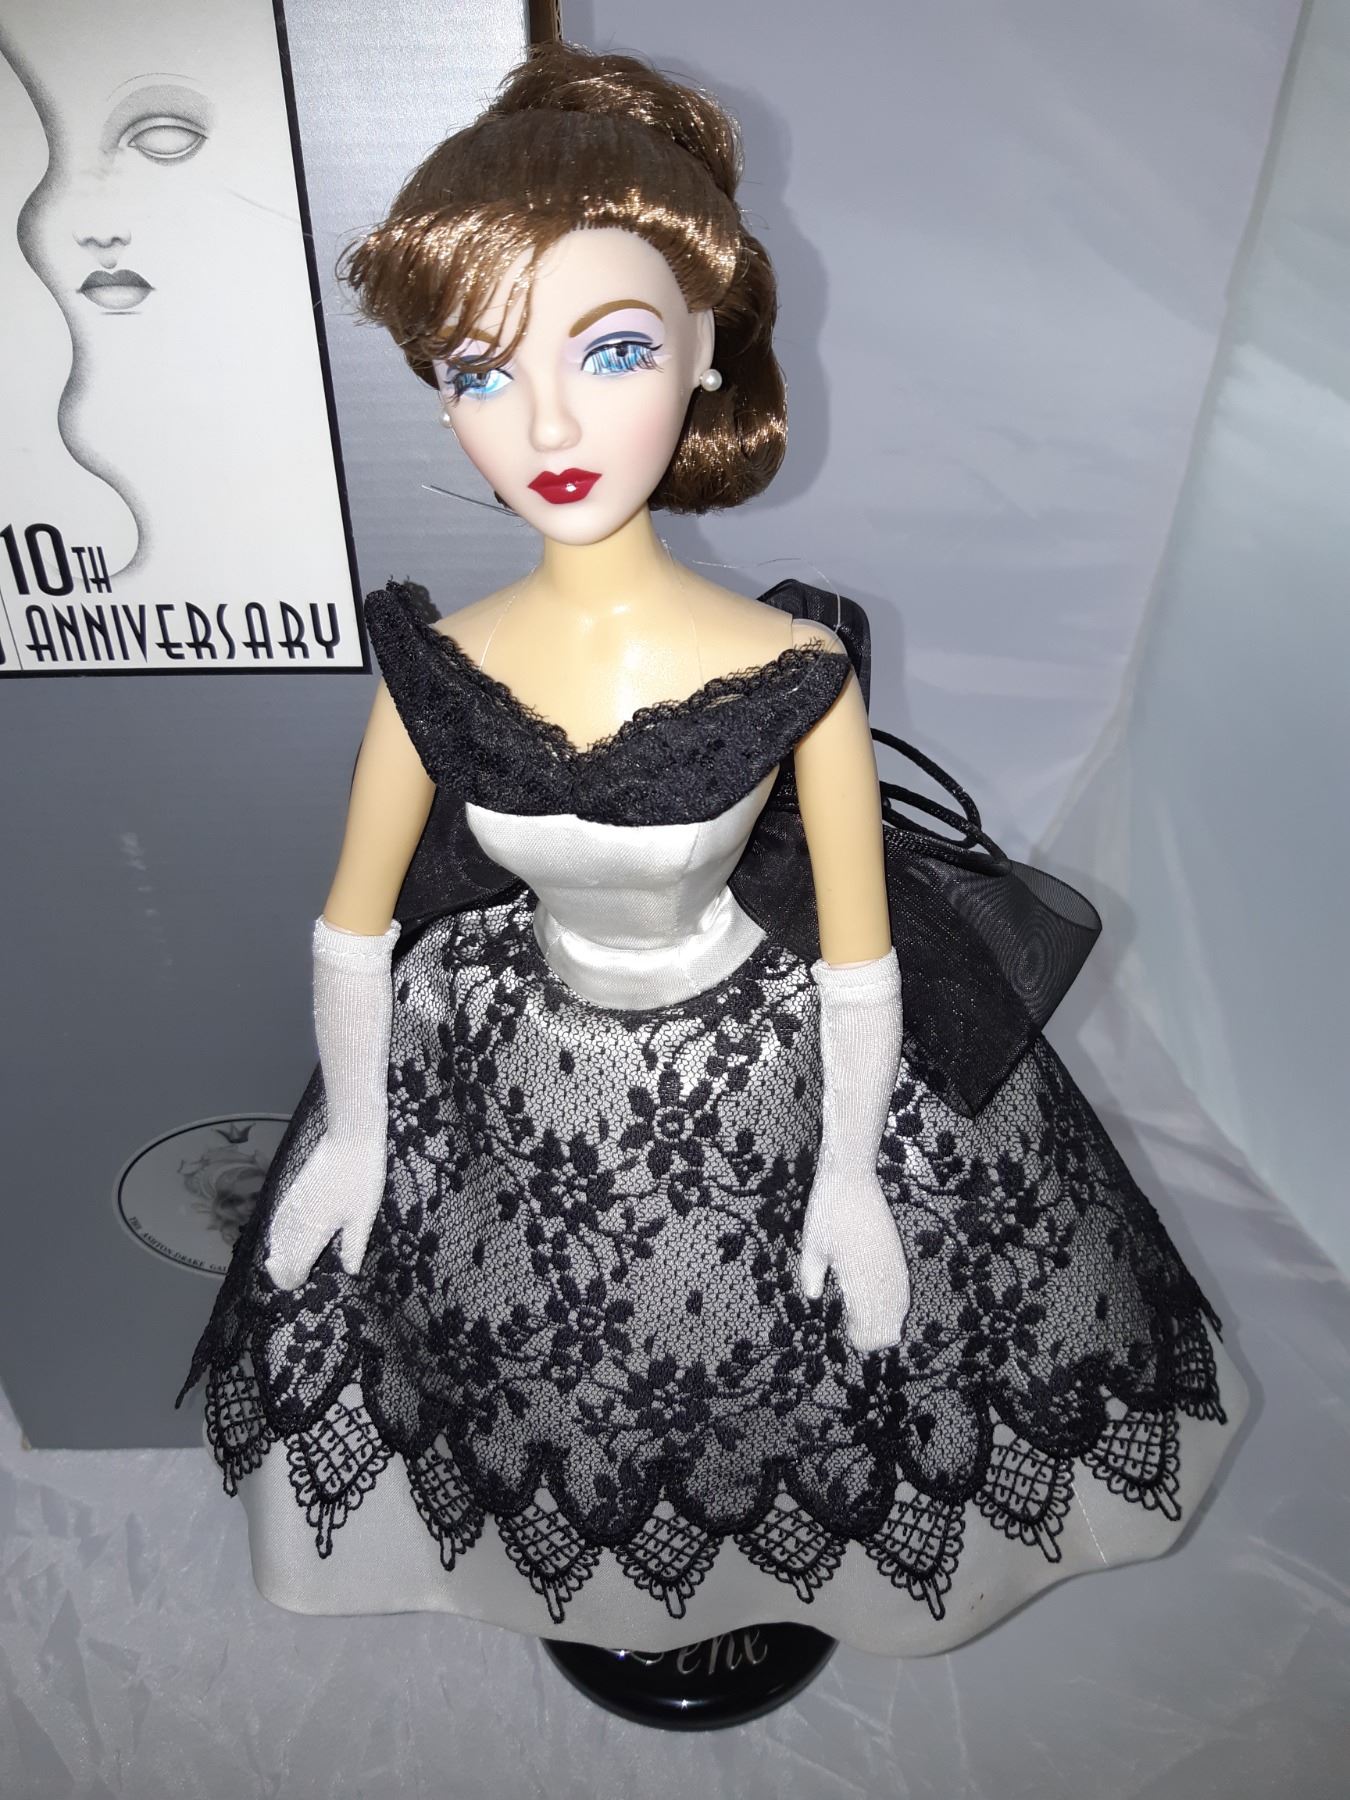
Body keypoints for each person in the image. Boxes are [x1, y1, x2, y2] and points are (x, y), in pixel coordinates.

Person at [175, 41, 1245, 1656]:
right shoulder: (431, 670)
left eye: (608, 350)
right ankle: (603, 1576)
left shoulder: (789, 667)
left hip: (760, 1054)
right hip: (514, 1047)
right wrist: (358, 1137)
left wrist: (850, 1176)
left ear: (700, 354)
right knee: (541, 1350)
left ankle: (756, 1561)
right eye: (478, 371)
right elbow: (352, 930)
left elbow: (862, 952)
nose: (543, 421)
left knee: (779, 1352)